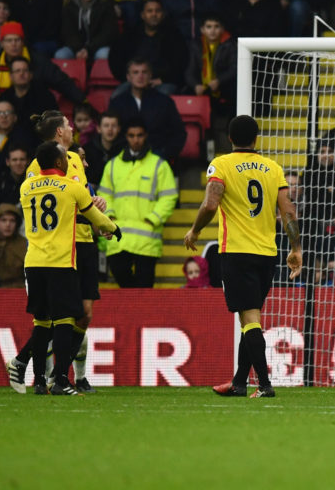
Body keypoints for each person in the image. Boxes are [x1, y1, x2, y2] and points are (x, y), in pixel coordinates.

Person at [184, 115, 302, 398]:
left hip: (237, 252)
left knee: (250, 319)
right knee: (250, 317)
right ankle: (239, 382)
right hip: (267, 254)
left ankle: (264, 384)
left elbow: (211, 204)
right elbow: (287, 211)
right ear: (256, 138)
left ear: (229, 138)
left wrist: (195, 230)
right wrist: (296, 247)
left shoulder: (222, 165)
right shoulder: (272, 168)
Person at [9, 141, 119, 395]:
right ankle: (61, 380)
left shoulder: (26, 187)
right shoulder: (72, 187)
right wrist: (113, 228)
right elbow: (94, 217)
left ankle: (38, 381)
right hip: (61, 261)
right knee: (64, 320)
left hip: (34, 261)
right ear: (60, 163)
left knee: (41, 321)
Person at [98, 118, 177, 288]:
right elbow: (104, 195)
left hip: (146, 236)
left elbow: (169, 196)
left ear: (145, 136)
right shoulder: (112, 166)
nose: (135, 139)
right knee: (122, 279)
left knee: (144, 290)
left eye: (139, 135)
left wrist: (154, 219)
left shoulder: (159, 165)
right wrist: (109, 217)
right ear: (125, 136)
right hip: (119, 235)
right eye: (131, 135)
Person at [106, 58, 187, 160]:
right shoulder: (117, 103)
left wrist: (164, 154)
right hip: (125, 159)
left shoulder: (165, 102)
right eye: (135, 72)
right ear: (128, 77)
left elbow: (179, 133)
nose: (140, 76)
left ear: (150, 75)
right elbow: (111, 133)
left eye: (144, 72)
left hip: (157, 158)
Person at [55, 0, 119, 61]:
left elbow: (108, 33)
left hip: (98, 47)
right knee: (60, 55)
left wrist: (88, 49)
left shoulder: (105, 5)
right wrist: (79, 49)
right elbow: (67, 32)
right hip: (76, 48)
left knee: (104, 55)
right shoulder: (69, 6)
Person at [82, 111, 123, 188]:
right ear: (99, 129)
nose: (110, 129)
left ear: (119, 129)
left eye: (113, 126)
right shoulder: (87, 150)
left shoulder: (124, 150)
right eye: (106, 125)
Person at [0, 202, 26, 287]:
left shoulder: (24, 244)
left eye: (12, 221)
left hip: (18, 291)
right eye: (3, 220)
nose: (8, 225)